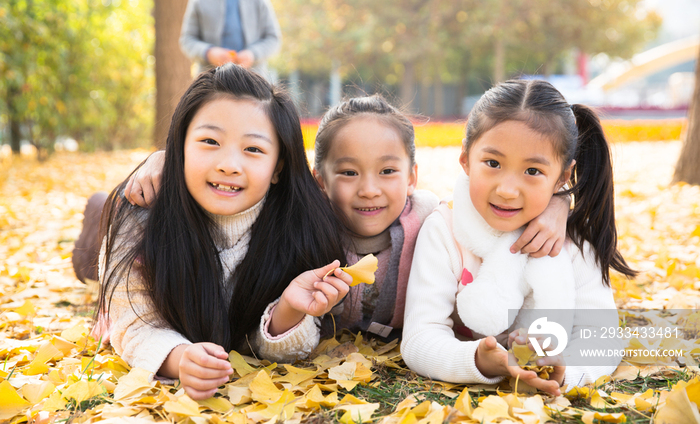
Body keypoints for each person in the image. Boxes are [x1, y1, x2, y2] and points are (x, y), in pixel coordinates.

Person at [122, 95, 572, 341]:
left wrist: (560, 202)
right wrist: (163, 160)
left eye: (388, 172)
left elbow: (501, 203)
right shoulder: (297, 224)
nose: (369, 189)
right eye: (349, 173)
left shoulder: (433, 221)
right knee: (98, 254)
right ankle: (100, 215)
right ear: (320, 179)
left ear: (413, 176)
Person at [95, 64, 351, 400]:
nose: (229, 164)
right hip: (121, 243)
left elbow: (261, 346)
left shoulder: (298, 228)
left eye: (253, 149)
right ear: (179, 145)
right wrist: (178, 359)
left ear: (278, 168)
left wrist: (289, 309)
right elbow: (134, 325)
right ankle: (95, 212)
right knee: (100, 242)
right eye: (210, 141)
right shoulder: (140, 221)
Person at [401, 79, 636, 395]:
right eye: (493, 163)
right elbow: (420, 337)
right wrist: (479, 361)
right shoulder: (444, 231)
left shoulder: (572, 245)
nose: (507, 190)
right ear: (465, 159)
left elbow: (602, 338)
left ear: (563, 177)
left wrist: (566, 370)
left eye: (533, 171)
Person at [179, 0, 281, 75]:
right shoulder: (198, 1)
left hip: (253, 80)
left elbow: (273, 38)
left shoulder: (259, 0)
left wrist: (252, 54)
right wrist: (209, 52)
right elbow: (187, 40)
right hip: (210, 81)